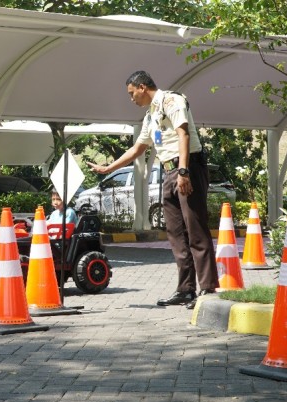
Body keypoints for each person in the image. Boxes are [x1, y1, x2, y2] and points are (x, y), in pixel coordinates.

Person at [87, 70, 218, 309]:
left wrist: (183, 171)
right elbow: (138, 148)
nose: (131, 99)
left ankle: (208, 289)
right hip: (168, 171)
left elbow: (183, 133)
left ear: (142, 87)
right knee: (176, 233)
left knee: (195, 229)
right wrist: (108, 168)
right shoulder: (150, 115)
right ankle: (186, 290)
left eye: (131, 93)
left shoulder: (171, 100)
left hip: (186, 167)